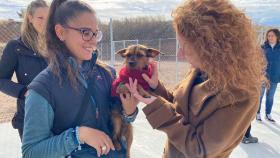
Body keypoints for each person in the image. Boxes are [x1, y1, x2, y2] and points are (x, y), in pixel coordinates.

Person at [126, 0, 266, 157]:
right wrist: (156, 87)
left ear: (210, 48)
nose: (179, 55)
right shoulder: (200, 70)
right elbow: (180, 106)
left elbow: (199, 150)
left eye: (184, 48)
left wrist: (157, 107)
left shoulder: (241, 93)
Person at [22, 0, 138, 157]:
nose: (94, 40)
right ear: (61, 32)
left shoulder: (107, 73)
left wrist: (129, 112)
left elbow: (121, 119)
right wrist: (78, 136)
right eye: (85, 32)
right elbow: (31, 152)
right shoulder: (43, 88)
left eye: (96, 33)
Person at [0, 0, 49, 140]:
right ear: (30, 18)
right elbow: (1, 80)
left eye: (48, 18)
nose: (45, 22)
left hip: (57, 115)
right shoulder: (15, 47)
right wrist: (24, 92)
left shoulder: (56, 46)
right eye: (40, 18)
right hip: (30, 116)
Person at [256, 28, 280, 123]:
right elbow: (257, 62)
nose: (270, 37)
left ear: (277, 36)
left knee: (270, 97)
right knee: (260, 96)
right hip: (262, 77)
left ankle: (268, 114)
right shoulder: (263, 47)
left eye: (272, 35)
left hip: (274, 76)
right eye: (268, 36)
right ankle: (257, 113)